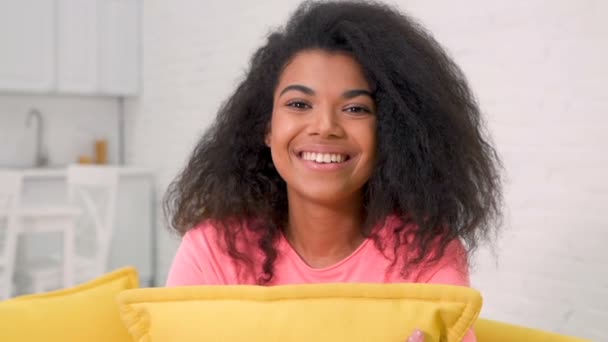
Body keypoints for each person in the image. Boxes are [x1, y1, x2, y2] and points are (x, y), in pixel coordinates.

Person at [164, 1, 502, 341]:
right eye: (299, 104)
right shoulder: (213, 250)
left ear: (392, 132)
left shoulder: (427, 257)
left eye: (355, 108)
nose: (325, 127)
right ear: (266, 127)